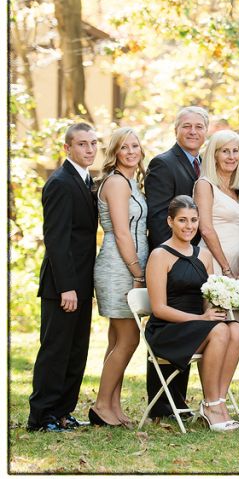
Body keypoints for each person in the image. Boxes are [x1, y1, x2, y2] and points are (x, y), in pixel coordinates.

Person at [144, 196, 239, 431]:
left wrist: (214, 309)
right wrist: (202, 319)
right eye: (182, 220)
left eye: (194, 220)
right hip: (167, 329)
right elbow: (159, 308)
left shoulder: (204, 255)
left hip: (198, 326)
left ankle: (218, 402)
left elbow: (206, 300)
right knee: (219, 331)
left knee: (236, 329)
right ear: (170, 221)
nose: (189, 226)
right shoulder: (159, 255)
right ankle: (211, 405)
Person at [28, 123, 98, 432]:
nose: (89, 149)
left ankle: (62, 412)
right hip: (62, 285)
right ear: (67, 148)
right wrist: (67, 287)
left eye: (93, 143)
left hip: (82, 283)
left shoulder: (86, 180)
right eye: (82, 144)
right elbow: (56, 240)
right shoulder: (59, 182)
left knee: (76, 350)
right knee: (56, 350)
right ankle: (42, 416)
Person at [144, 105, 209, 419]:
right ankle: (161, 406)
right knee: (172, 324)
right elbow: (159, 217)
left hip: (195, 261)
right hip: (173, 262)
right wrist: (173, 258)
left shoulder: (205, 166)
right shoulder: (163, 164)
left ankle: (178, 403)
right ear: (176, 130)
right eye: (187, 126)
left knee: (193, 320)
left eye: (199, 126)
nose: (193, 132)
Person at [91, 127, 149, 427]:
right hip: (119, 266)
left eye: (135, 146)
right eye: (124, 147)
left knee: (117, 338)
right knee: (129, 338)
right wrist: (137, 272)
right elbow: (122, 232)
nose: (130, 152)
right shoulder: (115, 183)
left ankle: (112, 405)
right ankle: (101, 404)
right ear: (114, 152)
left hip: (128, 263)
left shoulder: (130, 181)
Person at [194, 129, 239, 284]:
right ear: (214, 155)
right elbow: (206, 229)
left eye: (235, 151)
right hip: (214, 263)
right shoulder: (205, 185)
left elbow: (235, 229)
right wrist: (226, 268)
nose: (232, 157)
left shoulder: (236, 189)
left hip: (236, 265)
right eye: (225, 151)